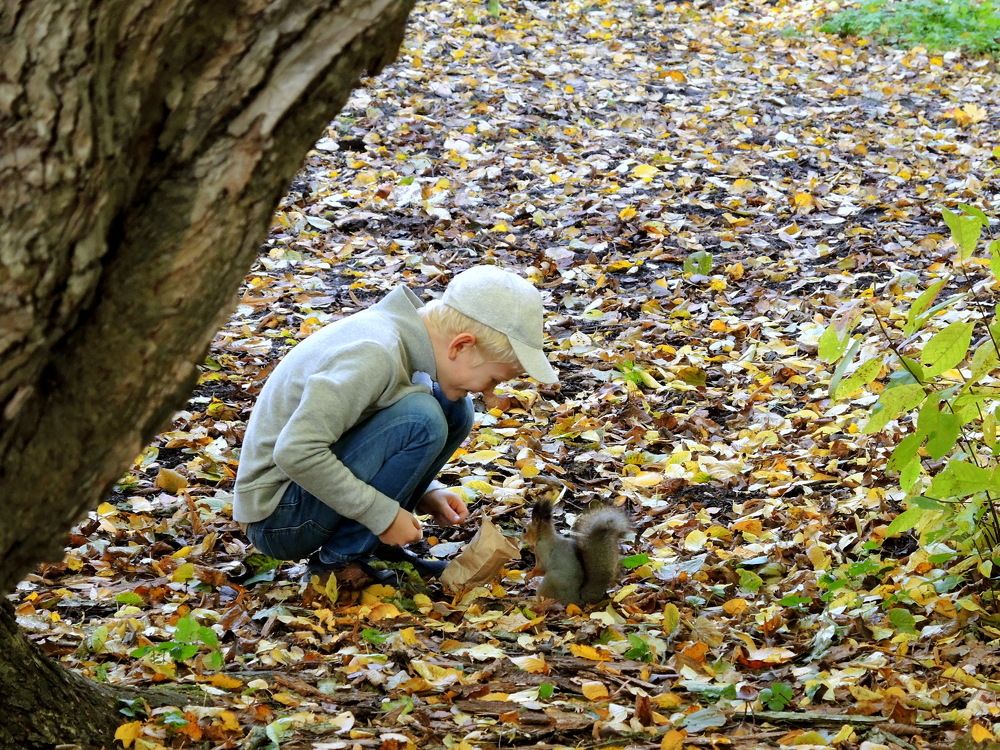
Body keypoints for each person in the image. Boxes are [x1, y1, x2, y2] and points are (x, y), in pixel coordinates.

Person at [233, 264, 558, 582]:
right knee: (422, 418)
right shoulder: (374, 353)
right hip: (278, 517)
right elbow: (296, 452)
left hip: (306, 495)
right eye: (493, 379)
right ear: (461, 346)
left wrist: (426, 490)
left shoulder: (411, 342)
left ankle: (371, 546)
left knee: (454, 409)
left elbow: (365, 429)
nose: (489, 394)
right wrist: (382, 514)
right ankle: (340, 563)